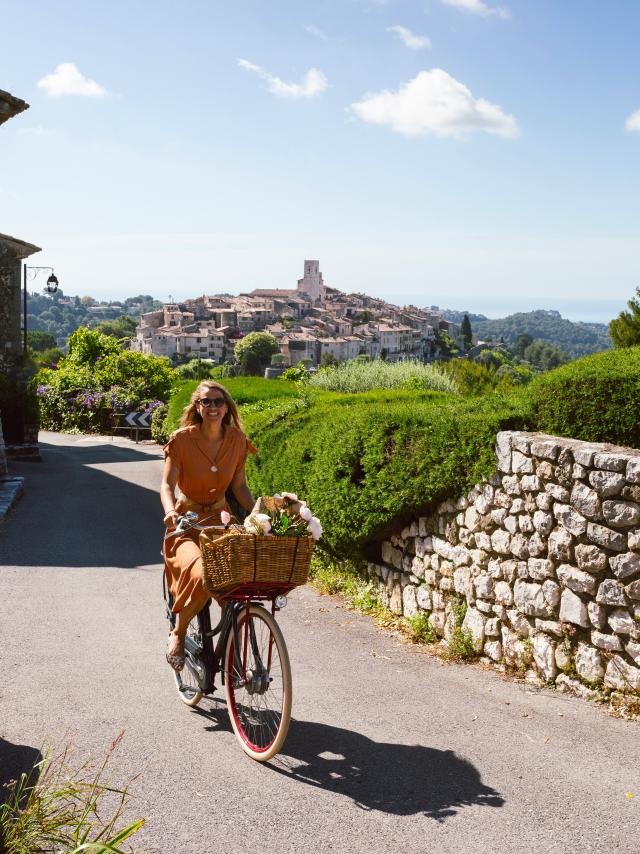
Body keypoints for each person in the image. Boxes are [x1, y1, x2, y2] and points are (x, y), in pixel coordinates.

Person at [161, 381, 256, 670]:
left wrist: (260, 516)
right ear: (197, 407)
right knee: (204, 573)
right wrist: (169, 512)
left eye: (218, 401)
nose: (213, 407)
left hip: (220, 520)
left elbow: (239, 488)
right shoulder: (180, 441)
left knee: (236, 583)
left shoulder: (237, 441)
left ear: (226, 407)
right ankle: (177, 633)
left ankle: (231, 652)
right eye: (207, 402)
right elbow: (167, 485)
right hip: (186, 523)